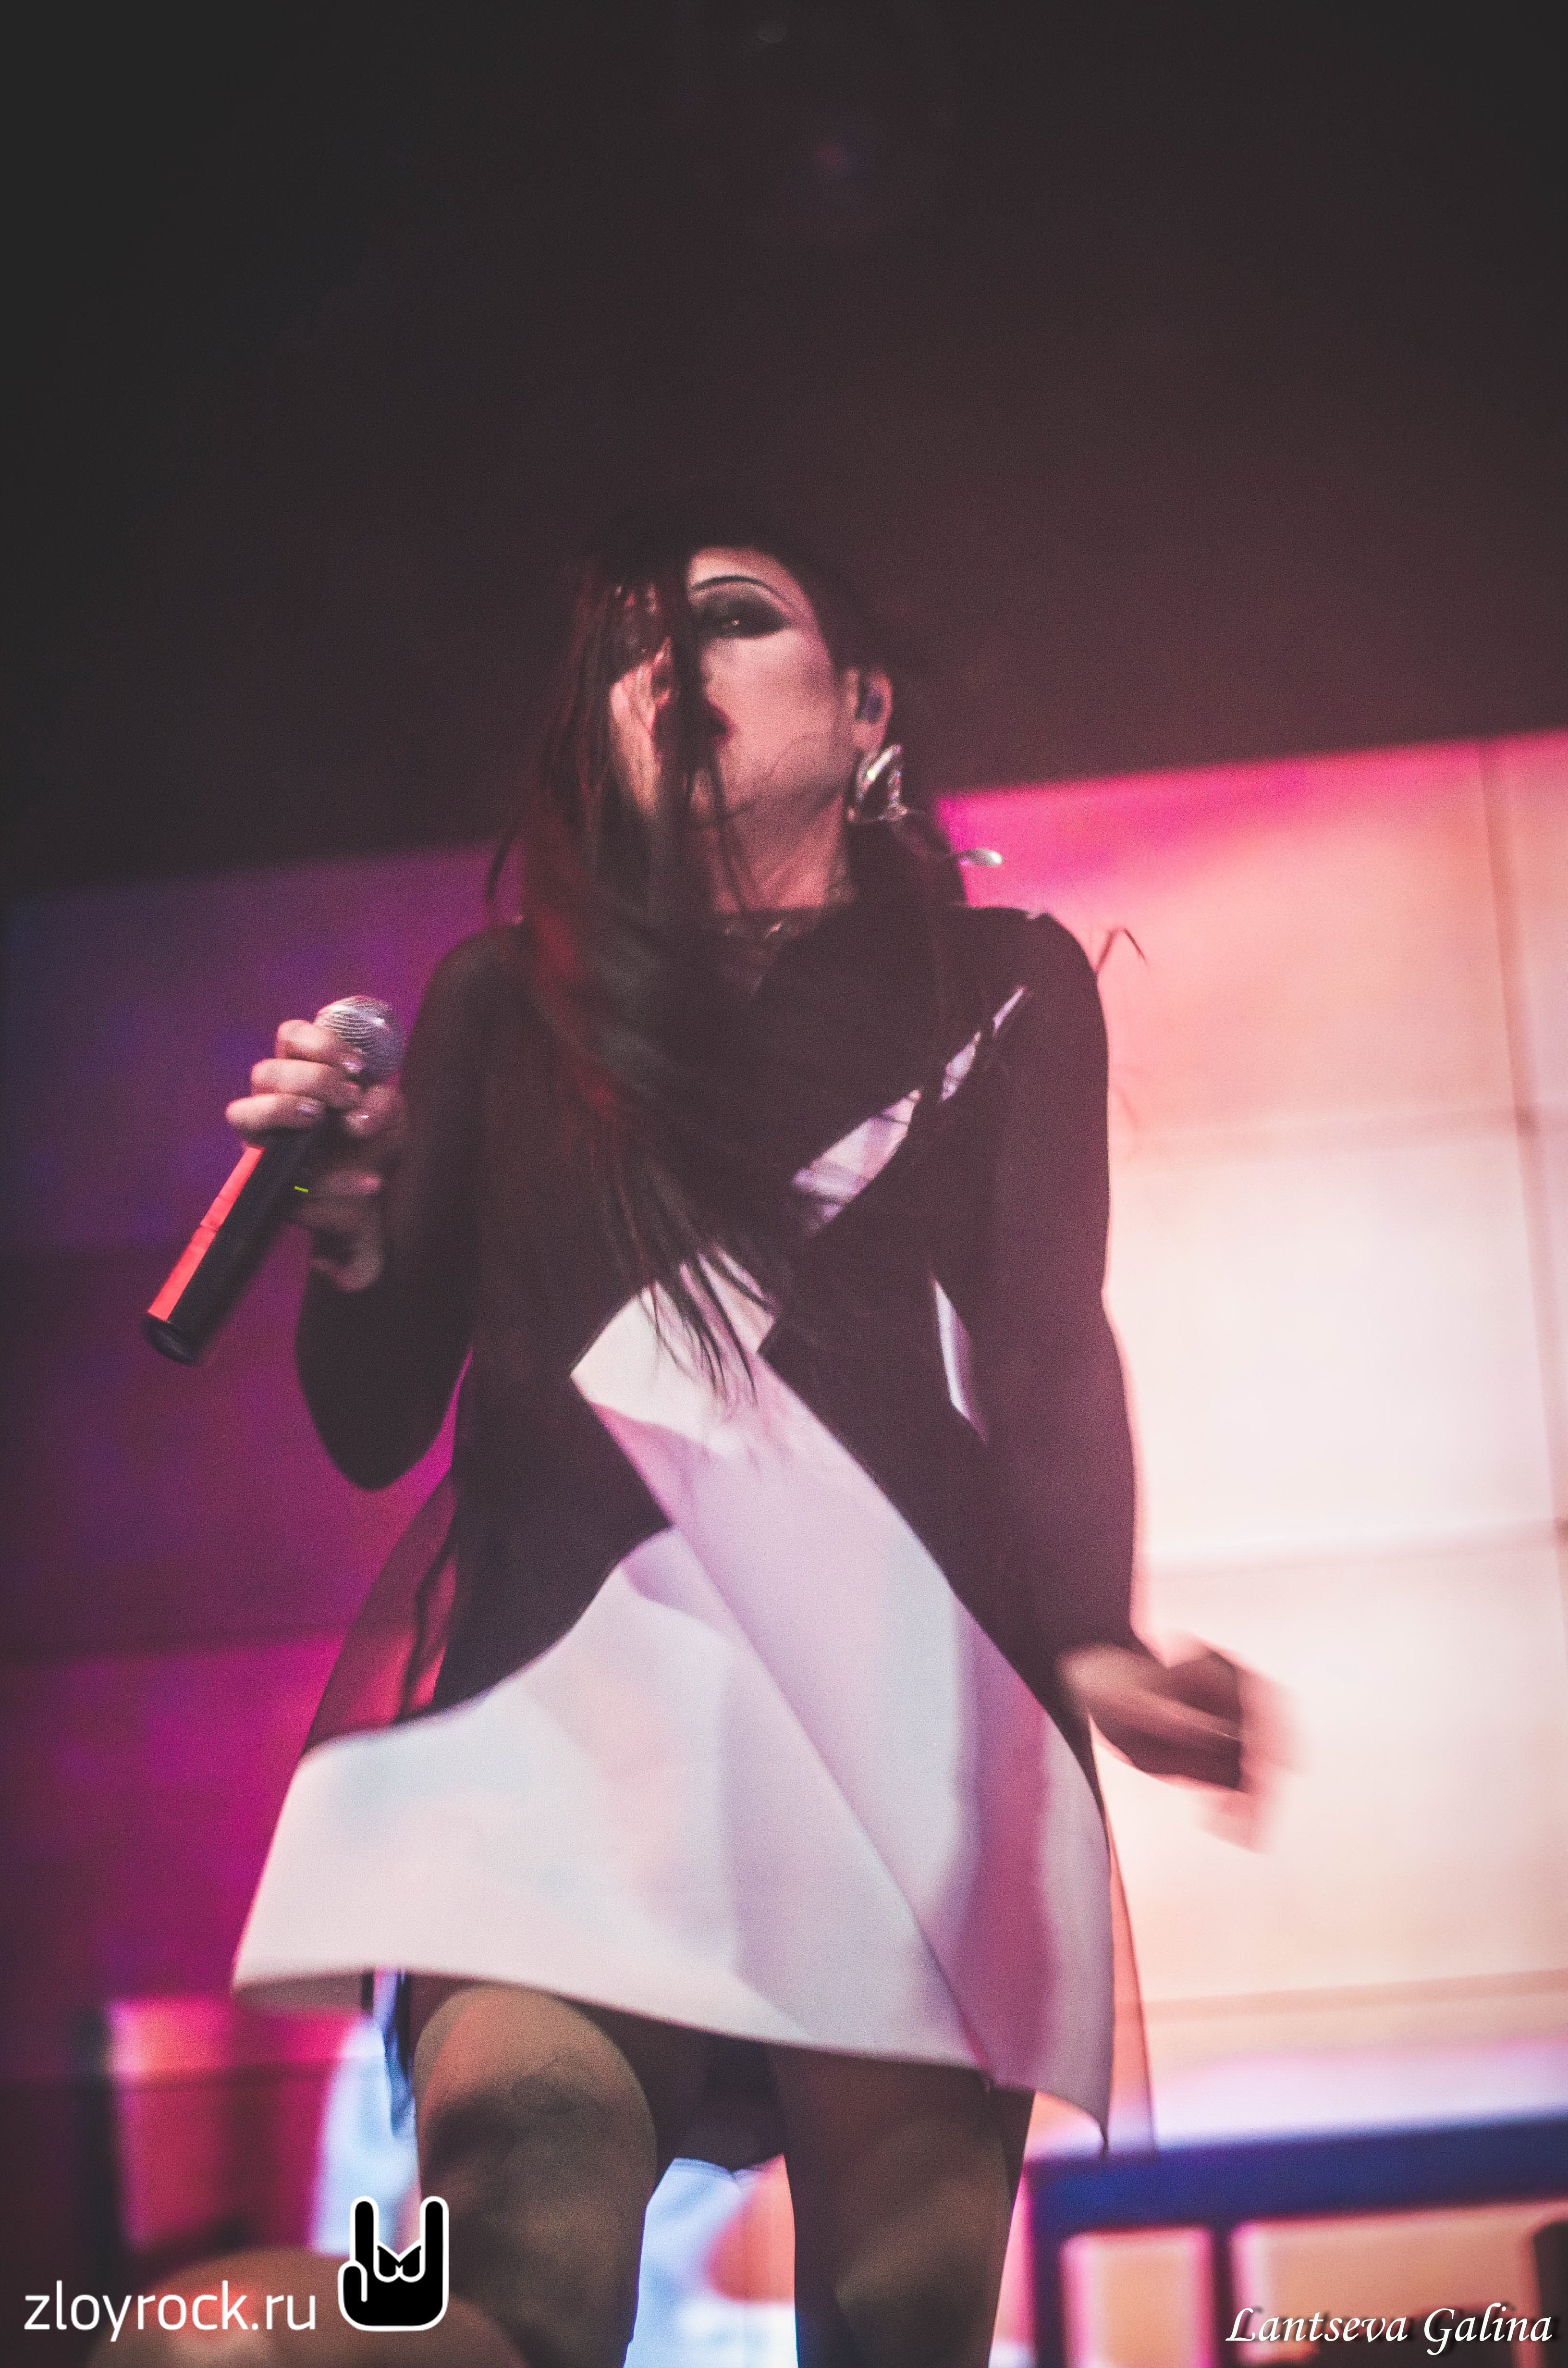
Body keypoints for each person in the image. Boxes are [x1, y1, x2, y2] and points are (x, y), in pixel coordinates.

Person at [105, 496, 1249, 2368]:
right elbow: (373, 1423)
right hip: (565, 1717)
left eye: (731, 617)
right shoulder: (501, 1003)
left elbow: (1049, 1349)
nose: (674, 666)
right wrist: (348, 1237)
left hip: (907, 1720)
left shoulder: (1007, 980)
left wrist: (1098, 1638)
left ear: (863, 705)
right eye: (633, 650)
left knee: (899, 2319)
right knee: (517, 2256)